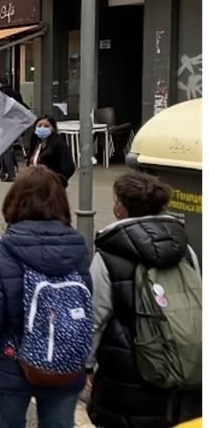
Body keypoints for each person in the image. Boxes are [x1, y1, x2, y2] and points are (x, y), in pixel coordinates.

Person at [0, 166, 91, 428]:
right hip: (66, 359)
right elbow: (87, 301)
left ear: (14, 200)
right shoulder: (78, 247)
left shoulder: (0, 251)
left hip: (12, 359)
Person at [87, 173, 202, 428]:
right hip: (181, 366)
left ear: (123, 207)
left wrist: (86, 366)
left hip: (126, 375)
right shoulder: (184, 248)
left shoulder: (109, 254)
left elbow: (94, 318)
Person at [27, 116, 75, 188]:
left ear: (53, 129)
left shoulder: (58, 143)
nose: (42, 128)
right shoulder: (37, 144)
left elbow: (69, 168)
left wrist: (56, 181)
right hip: (35, 186)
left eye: (46, 126)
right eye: (39, 126)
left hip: (51, 186)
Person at [0, 77, 26, 183]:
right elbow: (23, 106)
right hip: (15, 124)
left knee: (4, 149)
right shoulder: (16, 93)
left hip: (3, 124)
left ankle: (9, 172)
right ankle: (6, 171)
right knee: (7, 148)